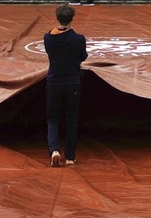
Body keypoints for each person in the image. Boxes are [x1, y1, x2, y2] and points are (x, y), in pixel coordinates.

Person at [44, 4, 88, 167]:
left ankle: (54, 149)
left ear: (57, 18)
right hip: (72, 83)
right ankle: (70, 156)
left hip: (54, 82)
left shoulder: (48, 38)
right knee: (71, 119)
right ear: (72, 19)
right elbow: (82, 57)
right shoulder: (78, 39)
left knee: (53, 118)